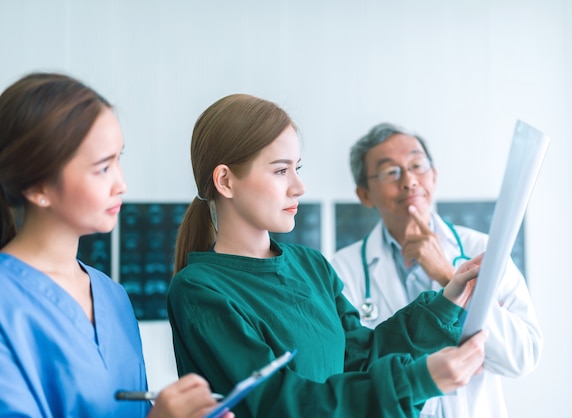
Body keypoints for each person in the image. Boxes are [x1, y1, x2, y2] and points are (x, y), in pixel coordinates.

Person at [167, 93, 489, 418]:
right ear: (225, 181)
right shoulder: (200, 290)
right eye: (281, 171)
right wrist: (417, 381)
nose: (299, 186)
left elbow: (362, 358)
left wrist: (445, 304)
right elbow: (277, 405)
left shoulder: (312, 266)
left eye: (297, 168)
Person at [0, 72, 232, 418]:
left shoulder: (112, 297)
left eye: (118, 159)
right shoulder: (8, 305)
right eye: (102, 168)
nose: (121, 184)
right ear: (37, 189)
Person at [331, 122, 543, 418]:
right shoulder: (341, 270)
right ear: (365, 194)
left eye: (417, 165)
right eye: (391, 171)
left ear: (434, 175)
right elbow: (352, 371)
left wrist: (447, 274)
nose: (409, 181)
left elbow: (521, 356)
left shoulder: (484, 250)